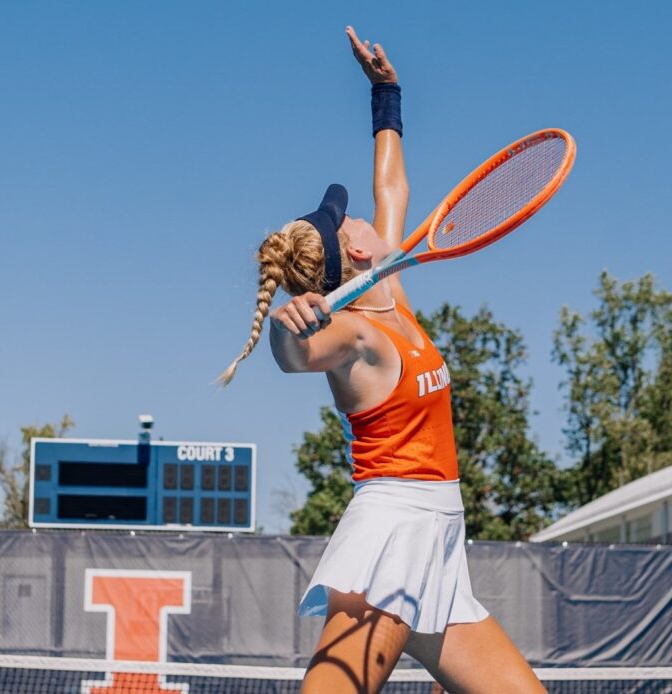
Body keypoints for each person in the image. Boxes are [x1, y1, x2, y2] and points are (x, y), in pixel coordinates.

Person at [220, 26, 545, 694]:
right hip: (395, 536)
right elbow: (296, 356)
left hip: (440, 550)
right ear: (355, 252)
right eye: (348, 220)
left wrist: (386, 94)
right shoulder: (354, 336)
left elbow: (392, 184)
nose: (362, 216)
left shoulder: (388, 284)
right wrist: (287, 330)